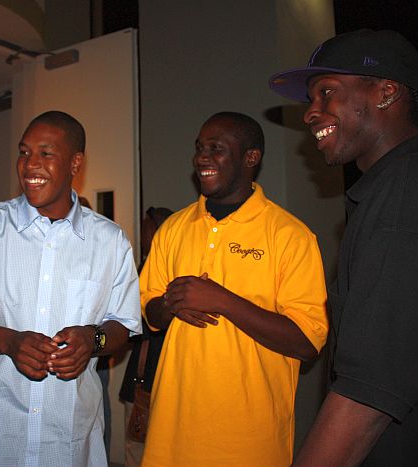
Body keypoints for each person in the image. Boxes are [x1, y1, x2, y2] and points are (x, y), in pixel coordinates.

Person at [269, 29, 418, 466]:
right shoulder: (409, 183)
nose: (310, 113)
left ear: (386, 92)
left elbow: (370, 388)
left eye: (326, 93)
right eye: (309, 100)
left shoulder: (411, 189)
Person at [0, 110, 142, 466]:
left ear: (76, 162)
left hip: (67, 439)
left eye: (46, 153)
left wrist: (93, 340)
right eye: (24, 152)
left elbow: (122, 328)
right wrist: (8, 342)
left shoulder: (109, 241)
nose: (30, 165)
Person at [139, 112, 329, 466]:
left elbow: (307, 342)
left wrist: (224, 301)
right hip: (172, 434)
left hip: (250, 442)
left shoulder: (291, 236)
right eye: (199, 148)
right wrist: (171, 302)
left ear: (250, 158)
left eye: (216, 148)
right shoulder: (173, 228)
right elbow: (149, 313)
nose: (201, 158)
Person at [119, 206, 173, 467]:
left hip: (157, 369)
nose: (144, 234)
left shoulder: (168, 268)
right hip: (142, 372)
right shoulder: (144, 265)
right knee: (136, 446)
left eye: (148, 228)